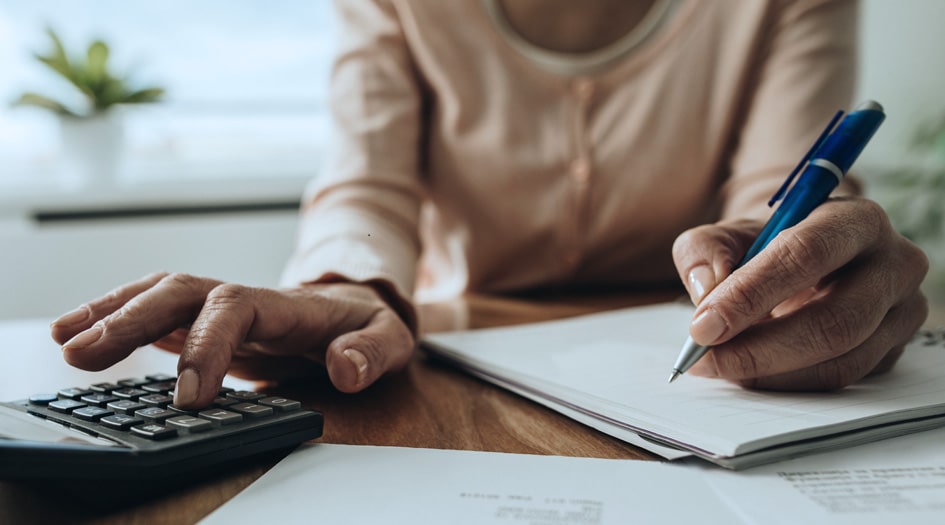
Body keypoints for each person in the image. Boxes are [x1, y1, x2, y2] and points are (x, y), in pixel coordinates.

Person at [50, 0, 928, 409]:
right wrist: (348, 281)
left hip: (693, 365)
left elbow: (778, 190)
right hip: (455, 361)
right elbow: (367, 184)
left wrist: (808, 259)